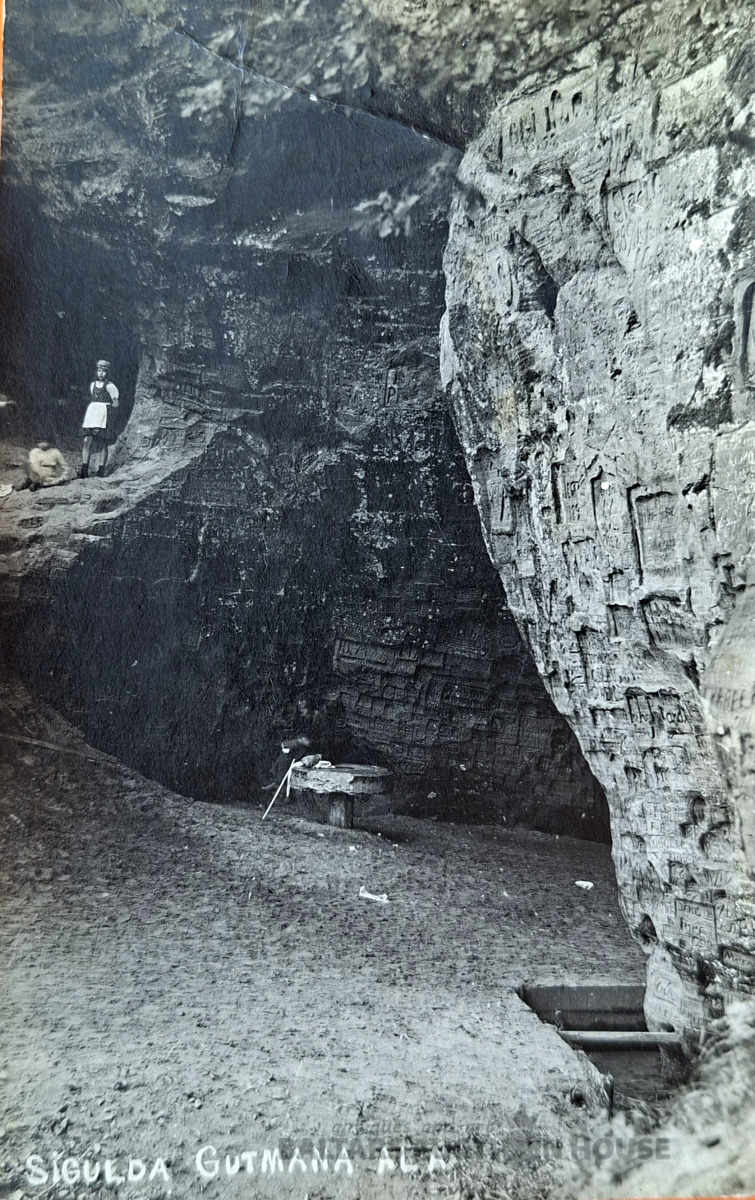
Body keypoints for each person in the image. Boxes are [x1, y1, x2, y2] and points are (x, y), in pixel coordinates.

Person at [80, 360, 119, 478]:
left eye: (104, 371)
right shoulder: (93, 385)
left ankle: (101, 469)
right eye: (99, 371)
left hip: (103, 414)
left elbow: (116, 403)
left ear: (108, 373)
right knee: (87, 440)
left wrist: (110, 412)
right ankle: (84, 469)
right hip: (92, 414)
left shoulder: (110, 386)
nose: (101, 373)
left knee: (103, 442)